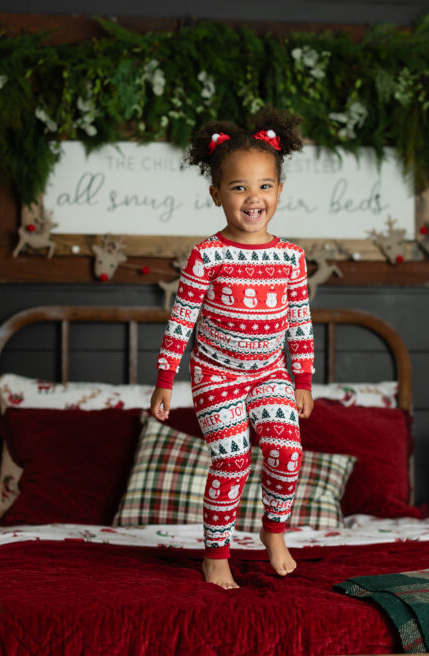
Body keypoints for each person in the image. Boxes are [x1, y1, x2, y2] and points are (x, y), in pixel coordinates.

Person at [149, 108, 314, 589]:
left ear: (279, 192)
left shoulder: (291, 257)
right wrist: (165, 382)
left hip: (270, 373)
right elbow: (181, 320)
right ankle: (216, 554)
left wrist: (301, 380)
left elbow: (299, 323)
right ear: (216, 193)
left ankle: (272, 531)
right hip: (216, 375)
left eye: (264, 186)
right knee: (234, 458)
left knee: (287, 453)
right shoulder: (208, 254)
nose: (253, 197)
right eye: (239, 187)